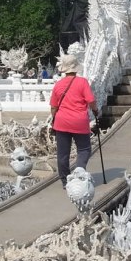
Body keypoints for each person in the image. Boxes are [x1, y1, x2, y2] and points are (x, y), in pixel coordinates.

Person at [50, 54, 100, 187]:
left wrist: (54, 118)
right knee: (84, 149)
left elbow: (54, 107)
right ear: (76, 68)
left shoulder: (58, 85)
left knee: (63, 153)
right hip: (79, 121)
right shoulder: (82, 82)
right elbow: (91, 101)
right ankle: (79, 172)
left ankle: (65, 181)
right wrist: (95, 110)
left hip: (61, 122)